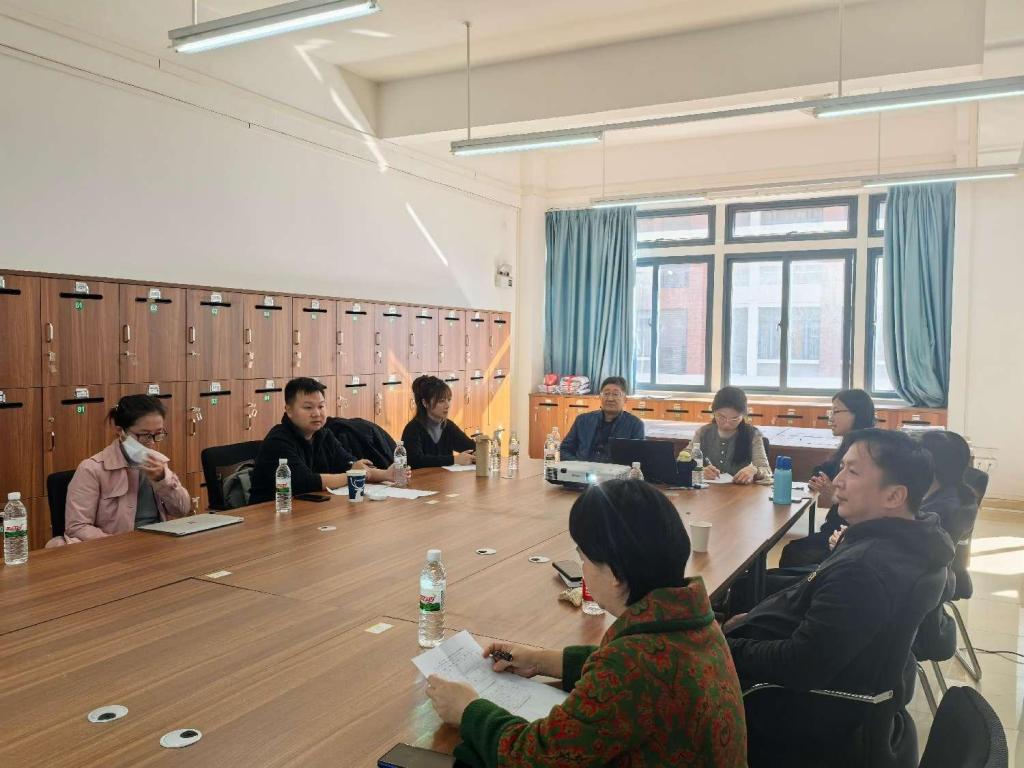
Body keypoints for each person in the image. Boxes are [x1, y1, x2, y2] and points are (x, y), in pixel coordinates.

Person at [424, 480, 747, 767]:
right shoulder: (689, 619)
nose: (583, 570)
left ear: (616, 574)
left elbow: (536, 756)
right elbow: (632, 672)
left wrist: (468, 710)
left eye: (585, 559)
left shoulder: (631, 665)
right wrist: (541, 661)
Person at [724, 429, 954, 766]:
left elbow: (801, 665)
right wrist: (752, 619)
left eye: (853, 471)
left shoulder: (865, 569)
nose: (838, 481)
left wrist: (724, 647)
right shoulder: (910, 537)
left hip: (800, 713)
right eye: (842, 467)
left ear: (894, 496)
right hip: (844, 692)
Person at [56, 394, 191, 543]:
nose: (152, 443)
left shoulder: (158, 462)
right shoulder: (91, 469)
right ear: (121, 432)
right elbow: (77, 527)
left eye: (158, 434)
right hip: (112, 548)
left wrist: (163, 480)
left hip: (157, 543)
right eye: (145, 435)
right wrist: (121, 545)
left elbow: (182, 510)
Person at [249, 377, 405, 503]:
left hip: (310, 509)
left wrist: (386, 474)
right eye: (308, 407)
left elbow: (351, 464)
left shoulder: (324, 435)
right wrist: (353, 475)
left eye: (321, 406)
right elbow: (306, 482)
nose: (317, 413)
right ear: (289, 410)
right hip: (272, 513)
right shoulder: (278, 440)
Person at [779, 389, 876, 567]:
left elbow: (869, 505)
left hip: (848, 535)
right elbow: (821, 472)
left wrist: (834, 496)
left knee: (794, 553)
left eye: (836, 411)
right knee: (793, 551)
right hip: (836, 528)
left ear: (857, 413)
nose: (830, 418)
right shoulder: (851, 443)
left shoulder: (867, 450)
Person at [690, 386, 771, 484]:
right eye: (721, 417)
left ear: (743, 416)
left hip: (740, 491)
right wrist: (700, 470)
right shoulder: (703, 432)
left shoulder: (752, 434)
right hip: (708, 491)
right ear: (713, 412)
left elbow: (766, 470)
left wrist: (754, 470)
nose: (727, 423)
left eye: (734, 418)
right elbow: (683, 460)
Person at [558, 376, 644, 462]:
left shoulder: (635, 425)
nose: (610, 399)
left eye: (615, 394)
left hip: (614, 469)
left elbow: (637, 458)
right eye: (606, 394)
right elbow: (565, 449)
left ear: (625, 399)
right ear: (600, 397)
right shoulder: (582, 420)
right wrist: (577, 465)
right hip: (583, 468)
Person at [400, 375, 476, 469]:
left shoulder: (448, 426)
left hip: (443, 477)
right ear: (425, 403)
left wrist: (477, 451)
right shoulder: (412, 429)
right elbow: (415, 461)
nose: (447, 405)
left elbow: (470, 447)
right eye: (441, 401)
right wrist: (454, 459)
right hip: (421, 478)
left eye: (449, 400)